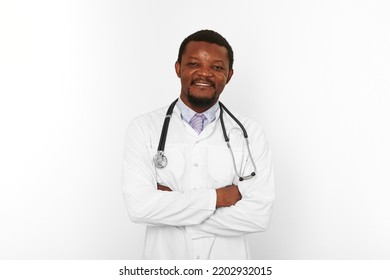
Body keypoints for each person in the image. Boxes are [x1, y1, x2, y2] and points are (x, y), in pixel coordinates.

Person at [122, 29, 274, 259]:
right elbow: (139, 207)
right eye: (194, 64)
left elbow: (258, 216)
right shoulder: (144, 128)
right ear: (178, 68)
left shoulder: (249, 134)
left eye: (217, 67)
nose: (204, 73)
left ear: (229, 75)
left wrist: (172, 210)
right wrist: (218, 198)